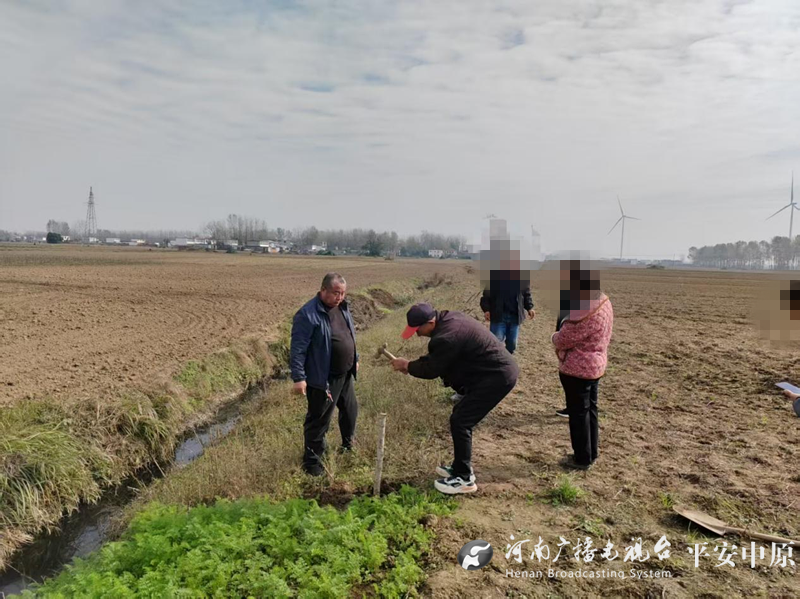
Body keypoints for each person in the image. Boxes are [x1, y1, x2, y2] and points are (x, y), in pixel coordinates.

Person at [390, 303, 519, 494]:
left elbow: (431, 369)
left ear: (430, 322)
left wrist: (407, 366)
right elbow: (440, 359)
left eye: (418, 329)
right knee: (459, 415)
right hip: (490, 372)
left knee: (461, 421)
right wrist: (411, 365)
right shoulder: (449, 319)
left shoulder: (446, 337)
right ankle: (459, 467)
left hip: (497, 377)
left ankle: (464, 479)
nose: (417, 334)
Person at [291, 272, 359, 476]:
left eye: (343, 293)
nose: (340, 297)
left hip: (345, 375)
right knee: (319, 420)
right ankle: (312, 464)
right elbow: (298, 349)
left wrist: (355, 358)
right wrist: (299, 378)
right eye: (336, 293)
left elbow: (349, 334)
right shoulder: (307, 314)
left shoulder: (343, 307)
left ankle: (348, 445)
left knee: (350, 411)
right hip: (323, 379)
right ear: (323, 290)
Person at [551, 262, 613, 470]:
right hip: (596, 365)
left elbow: (563, 339)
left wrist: (554, 337)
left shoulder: (584, 312)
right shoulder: (603, 301)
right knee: (590, 410)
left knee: (578, 414)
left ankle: (582, 458)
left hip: (578, 369)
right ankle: (591, 452)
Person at [479, 249, 535, 355]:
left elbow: (526, 293)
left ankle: (507, 360)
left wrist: (530, 307)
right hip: (499, 315)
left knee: (512, 344)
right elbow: (486, 295)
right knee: (495, 343)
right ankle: (496, 361)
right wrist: (486, 309)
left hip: (514, 316)